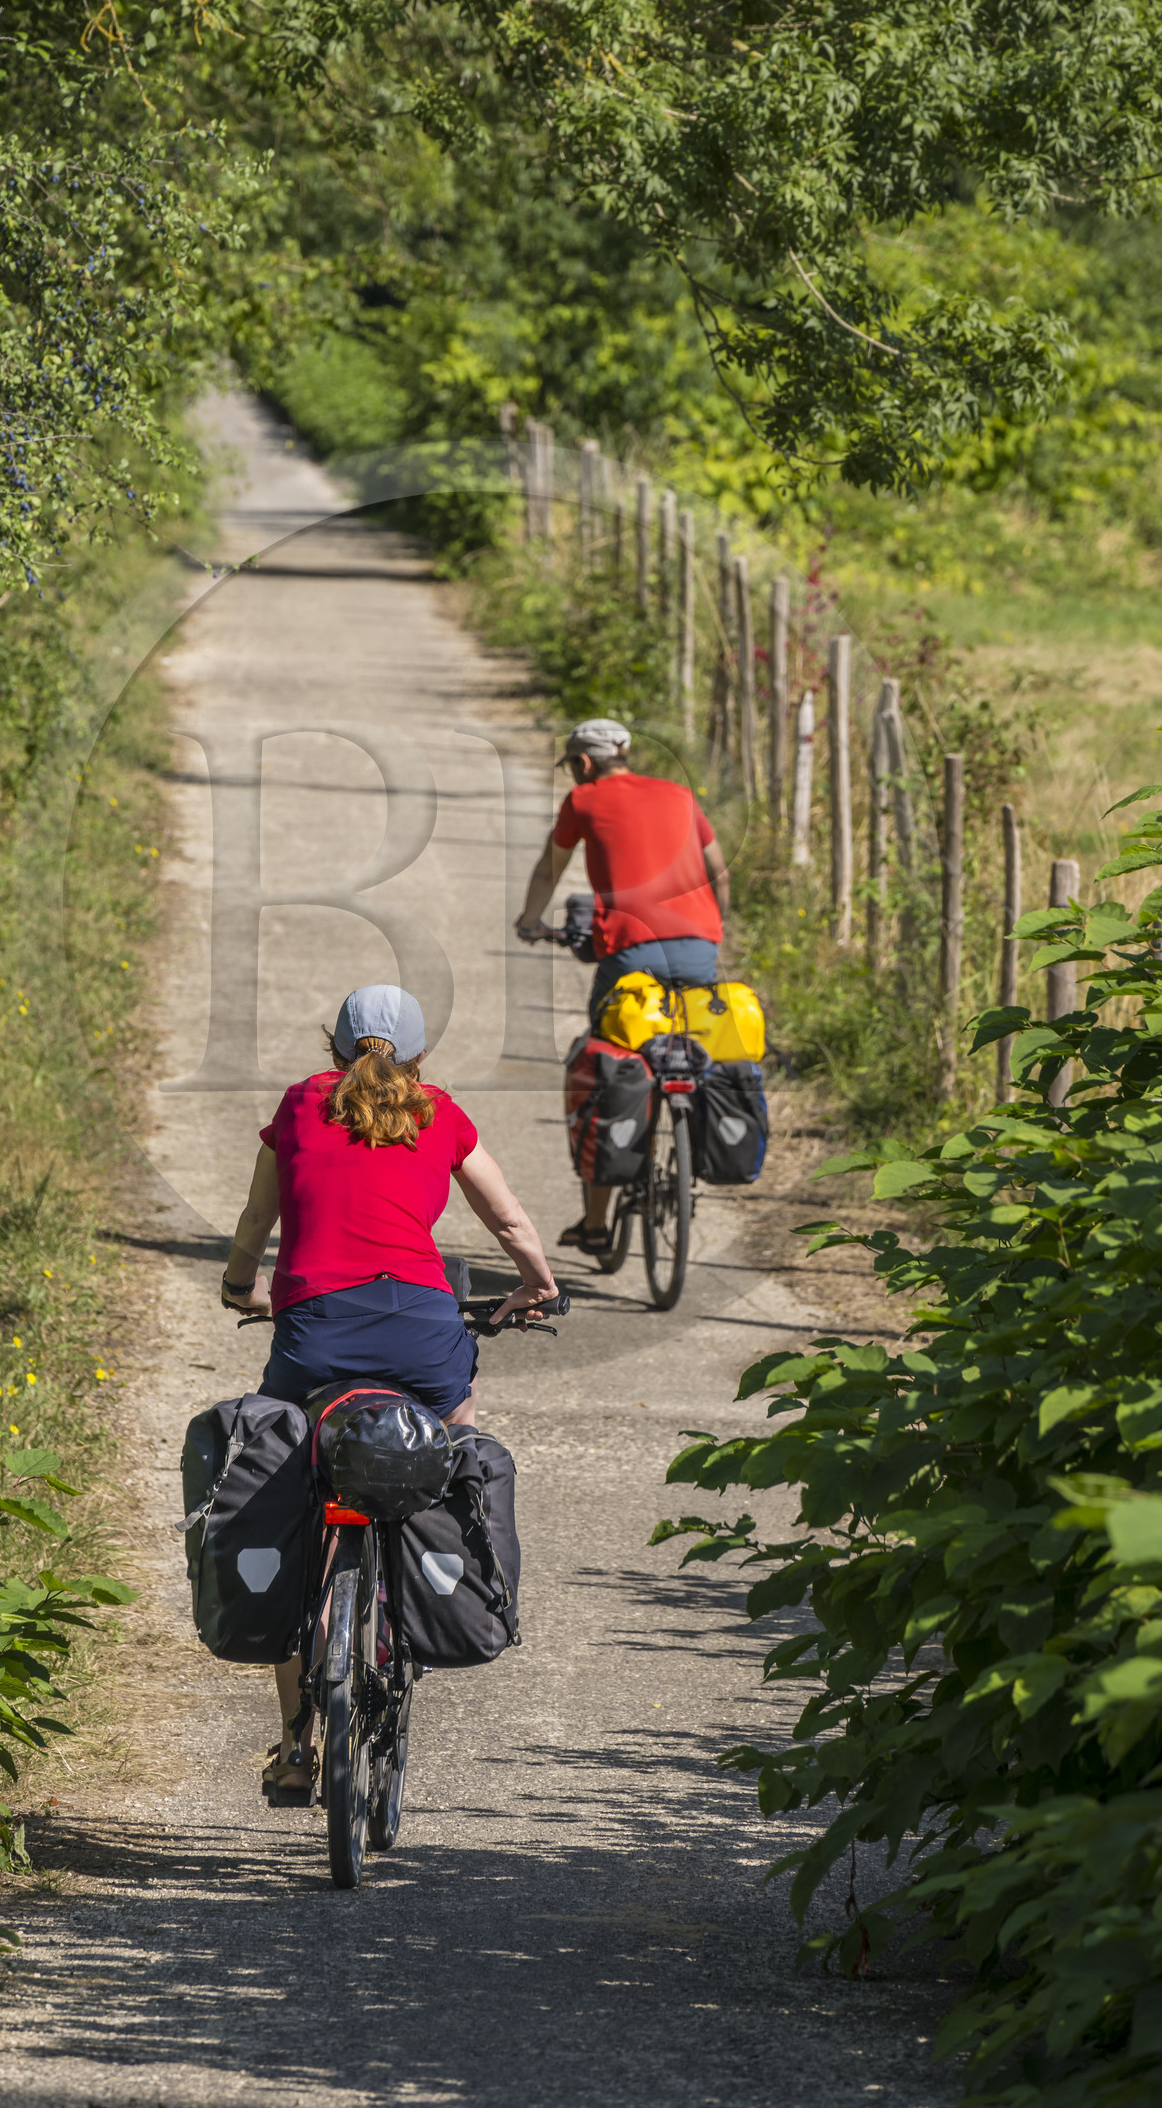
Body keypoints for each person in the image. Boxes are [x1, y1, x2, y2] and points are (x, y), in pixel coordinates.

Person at [219, 981, 558, 1803]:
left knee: (289, 1490)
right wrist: (538, 1287)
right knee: (456, 1443)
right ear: (419, 1057)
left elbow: (257, 1220)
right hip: (423, 1332)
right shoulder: (439, 1111)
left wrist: (241, 1288)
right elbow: (509, 1223)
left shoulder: (303, 1105)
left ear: (332, 1049)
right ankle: (433, 1582)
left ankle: (299, 1742)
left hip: (315, 1333)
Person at [514, 716, 729, 1256]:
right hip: (701, 950)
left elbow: (549, 868)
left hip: (630, 955)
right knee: (691, 1045)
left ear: (584, 764)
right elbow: (718, 871)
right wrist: (712, 934)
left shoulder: (584, 801)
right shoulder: (680, 794)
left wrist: (530, 920)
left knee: (606, 1068)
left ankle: (594, 1223)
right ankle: (693, 1131)